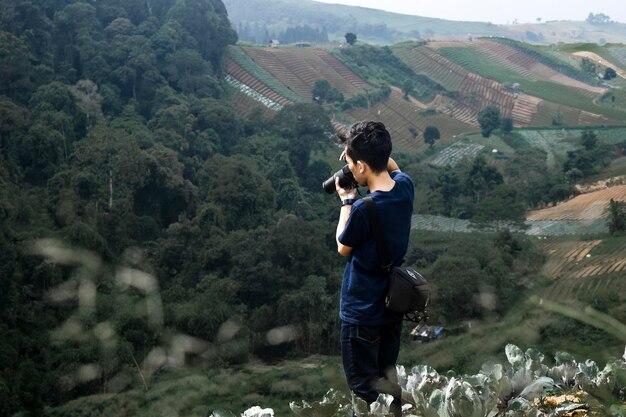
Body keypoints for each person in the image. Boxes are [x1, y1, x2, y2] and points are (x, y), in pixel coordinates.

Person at [334, 121, 414, 416]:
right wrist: (359, 154)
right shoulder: (405, 188)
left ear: (362, 167)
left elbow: (343, 247)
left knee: (364, 394)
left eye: (353, 163)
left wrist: (346, 201)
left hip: (362, 314)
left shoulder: (362, 210)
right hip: (392, 309)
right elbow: (392, 166)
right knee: (387, 387)